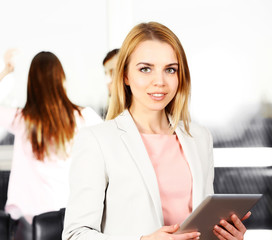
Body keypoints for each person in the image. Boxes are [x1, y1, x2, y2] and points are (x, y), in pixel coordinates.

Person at [63, 22, 250, 240]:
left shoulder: (199, 138)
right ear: (124, 76)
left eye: (170, 70)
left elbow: (202, 226)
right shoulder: (97, 140)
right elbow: (75, 234)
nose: (159, 82)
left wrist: (226, 236)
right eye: (145, 69)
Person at [0, 51, 102, 224]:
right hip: (65, 217)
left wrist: (4, 72)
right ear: (62, 80)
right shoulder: (84, 117)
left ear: (31, 84)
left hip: (26, 221)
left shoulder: (21, 119)